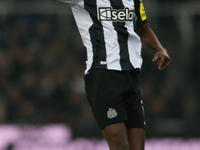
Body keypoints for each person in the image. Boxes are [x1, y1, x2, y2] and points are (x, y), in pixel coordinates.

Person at [56, 0, 171, 150]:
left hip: (131, 77)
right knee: (120, 144)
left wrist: (160, 48)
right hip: (103, 75)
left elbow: (144, 29)